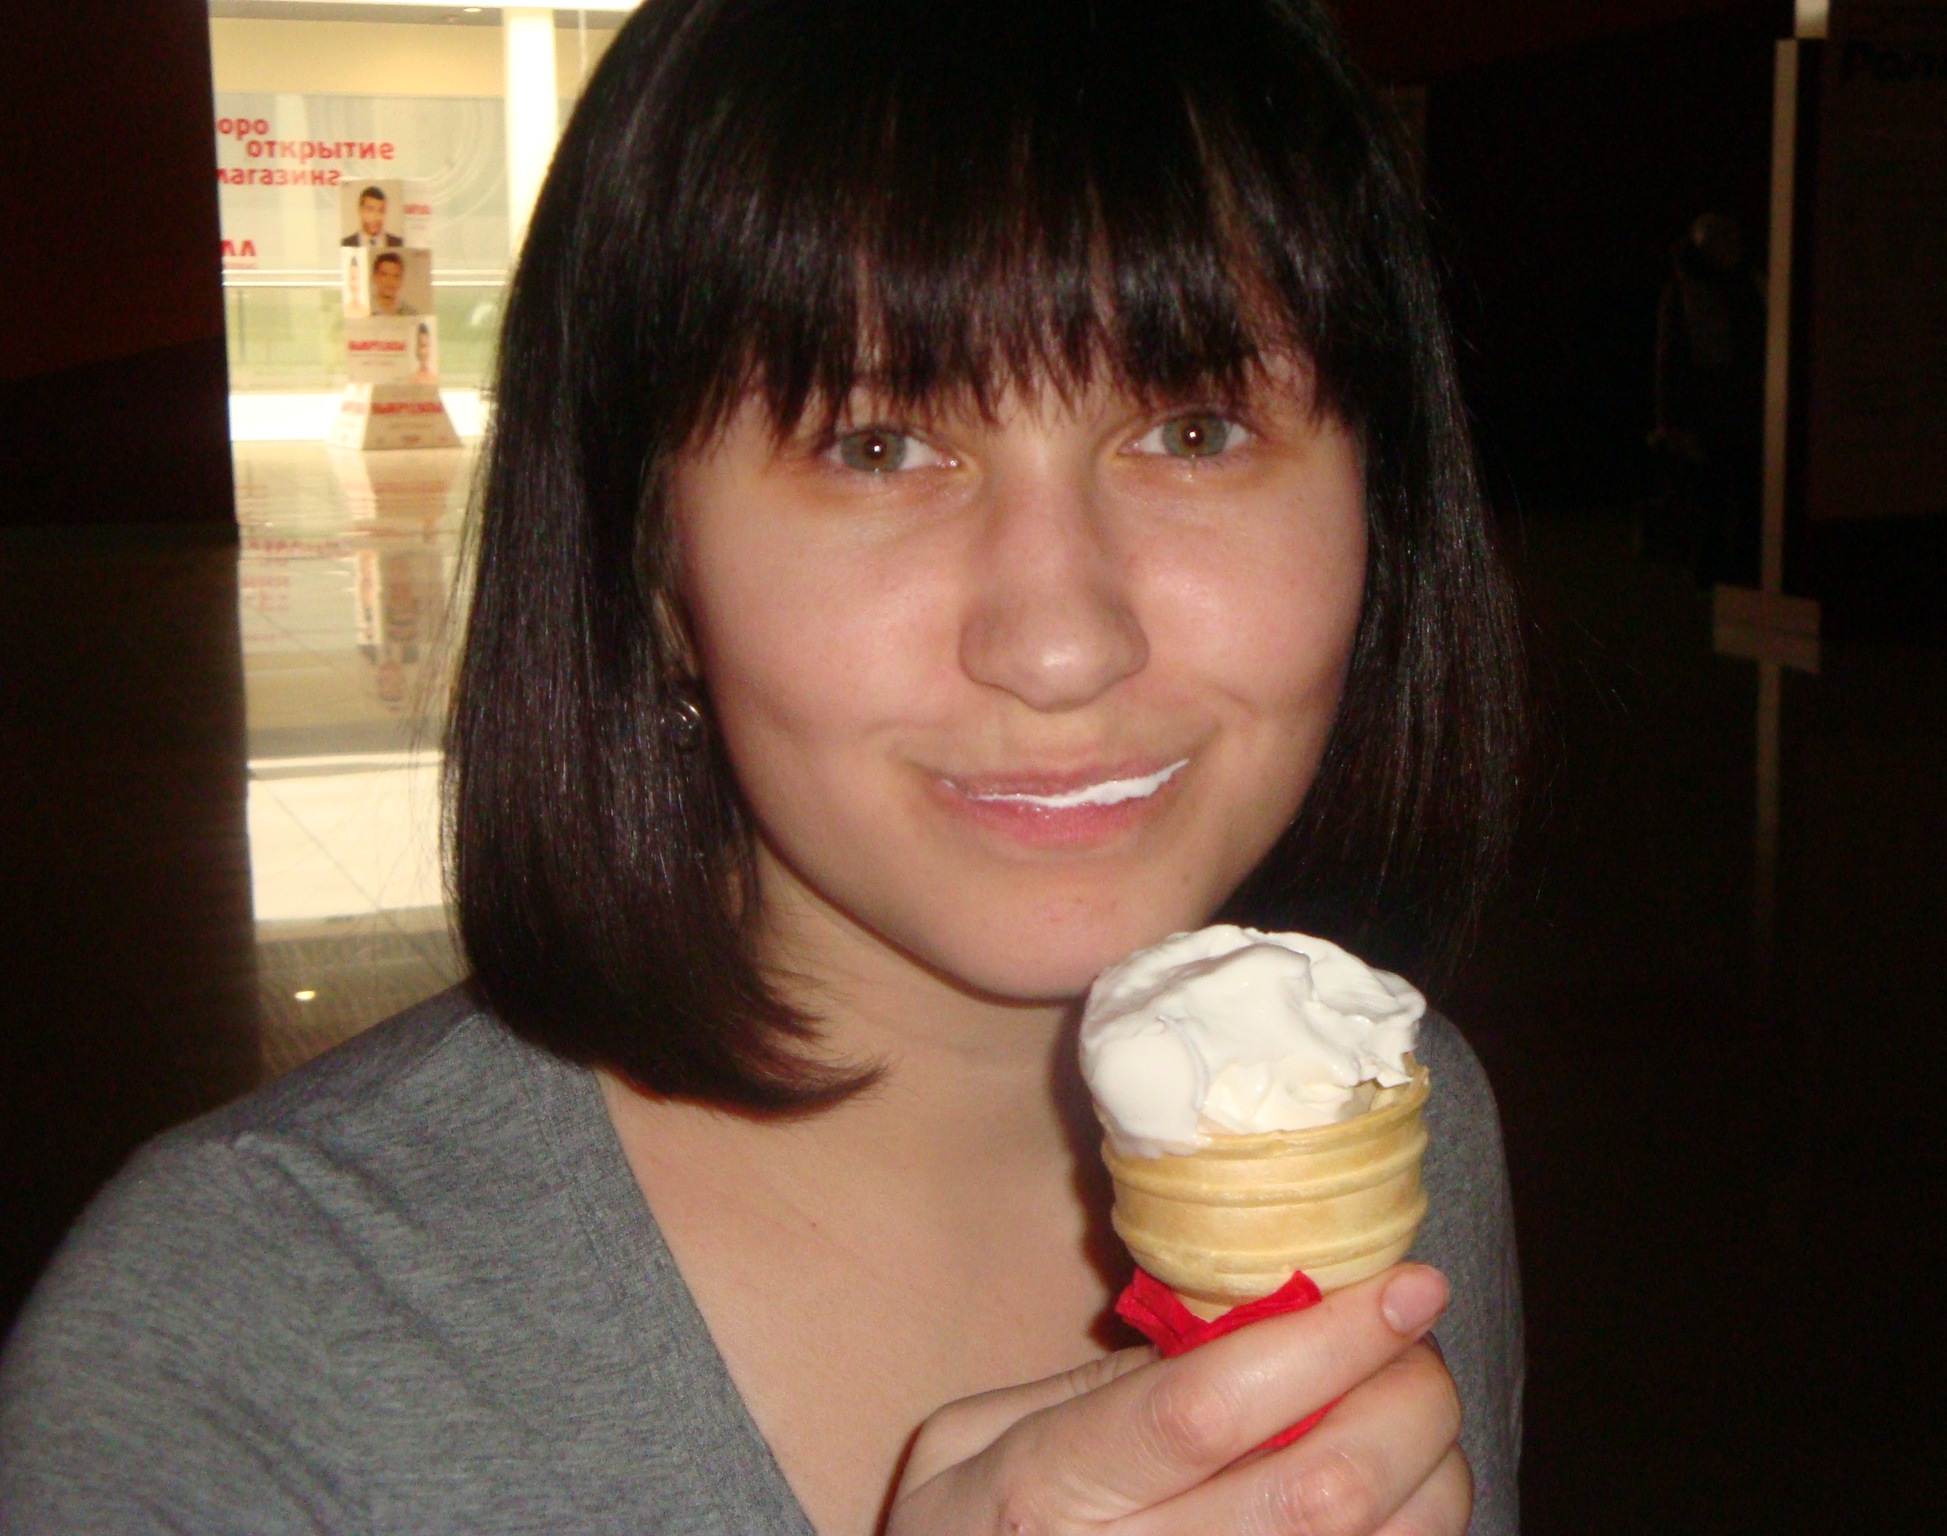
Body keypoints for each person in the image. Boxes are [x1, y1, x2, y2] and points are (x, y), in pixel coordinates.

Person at [0, 3, 1529, 1533]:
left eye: (1194, 430)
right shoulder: (231, 1349)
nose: (1062, 643)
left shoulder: (1405, 1129)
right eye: (877, 447)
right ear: (653, 564)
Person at [1650, 213, 1766, 585]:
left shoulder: (1747, 283)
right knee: (1710, 494)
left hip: (1745, 406)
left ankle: (1740, 567)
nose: (1730, 248)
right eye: (1721, 242)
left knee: (1744, 492)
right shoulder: (1686, 291)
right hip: (1708, 411)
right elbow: (1669, 359)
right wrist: (1670, 420)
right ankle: (1711, 568)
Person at [341, 183, 403, 247]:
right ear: (360, 210)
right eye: (370, 210)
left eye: (381, 210)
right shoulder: (345, 244)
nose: (376, 217)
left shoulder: (399, 243)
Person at [368, 250, 419, 317]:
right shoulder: (364, 309)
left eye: (395, 276)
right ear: (374, 277)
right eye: (384, 274)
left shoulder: (410, 313)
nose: (390, 281)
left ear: (401, 281)